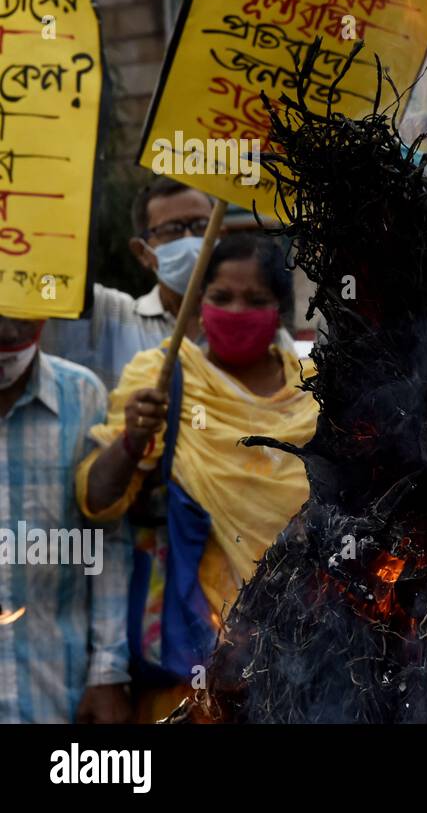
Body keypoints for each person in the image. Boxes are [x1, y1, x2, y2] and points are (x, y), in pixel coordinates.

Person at [76, 233, 318, 721]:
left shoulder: (316, 390)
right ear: (196, 302)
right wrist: (130, 441)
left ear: (279, 310)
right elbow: (98, 503)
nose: (235, 310)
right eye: (221, 297)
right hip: (191, 668)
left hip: (306, 657)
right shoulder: (162, 376)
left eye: (255, 300)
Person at [0, 314, 131, 723]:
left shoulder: (82, 395)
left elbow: (106, 539)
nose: (6, 329)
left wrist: (108, 672)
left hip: (59, 691)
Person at [40, 177, 213, 389]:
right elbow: (49, 282)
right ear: (142, 252)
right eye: (172, 229)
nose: (189, 238)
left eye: (202, 226)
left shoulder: (250, 324)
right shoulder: (108, 317)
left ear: (220, 234)